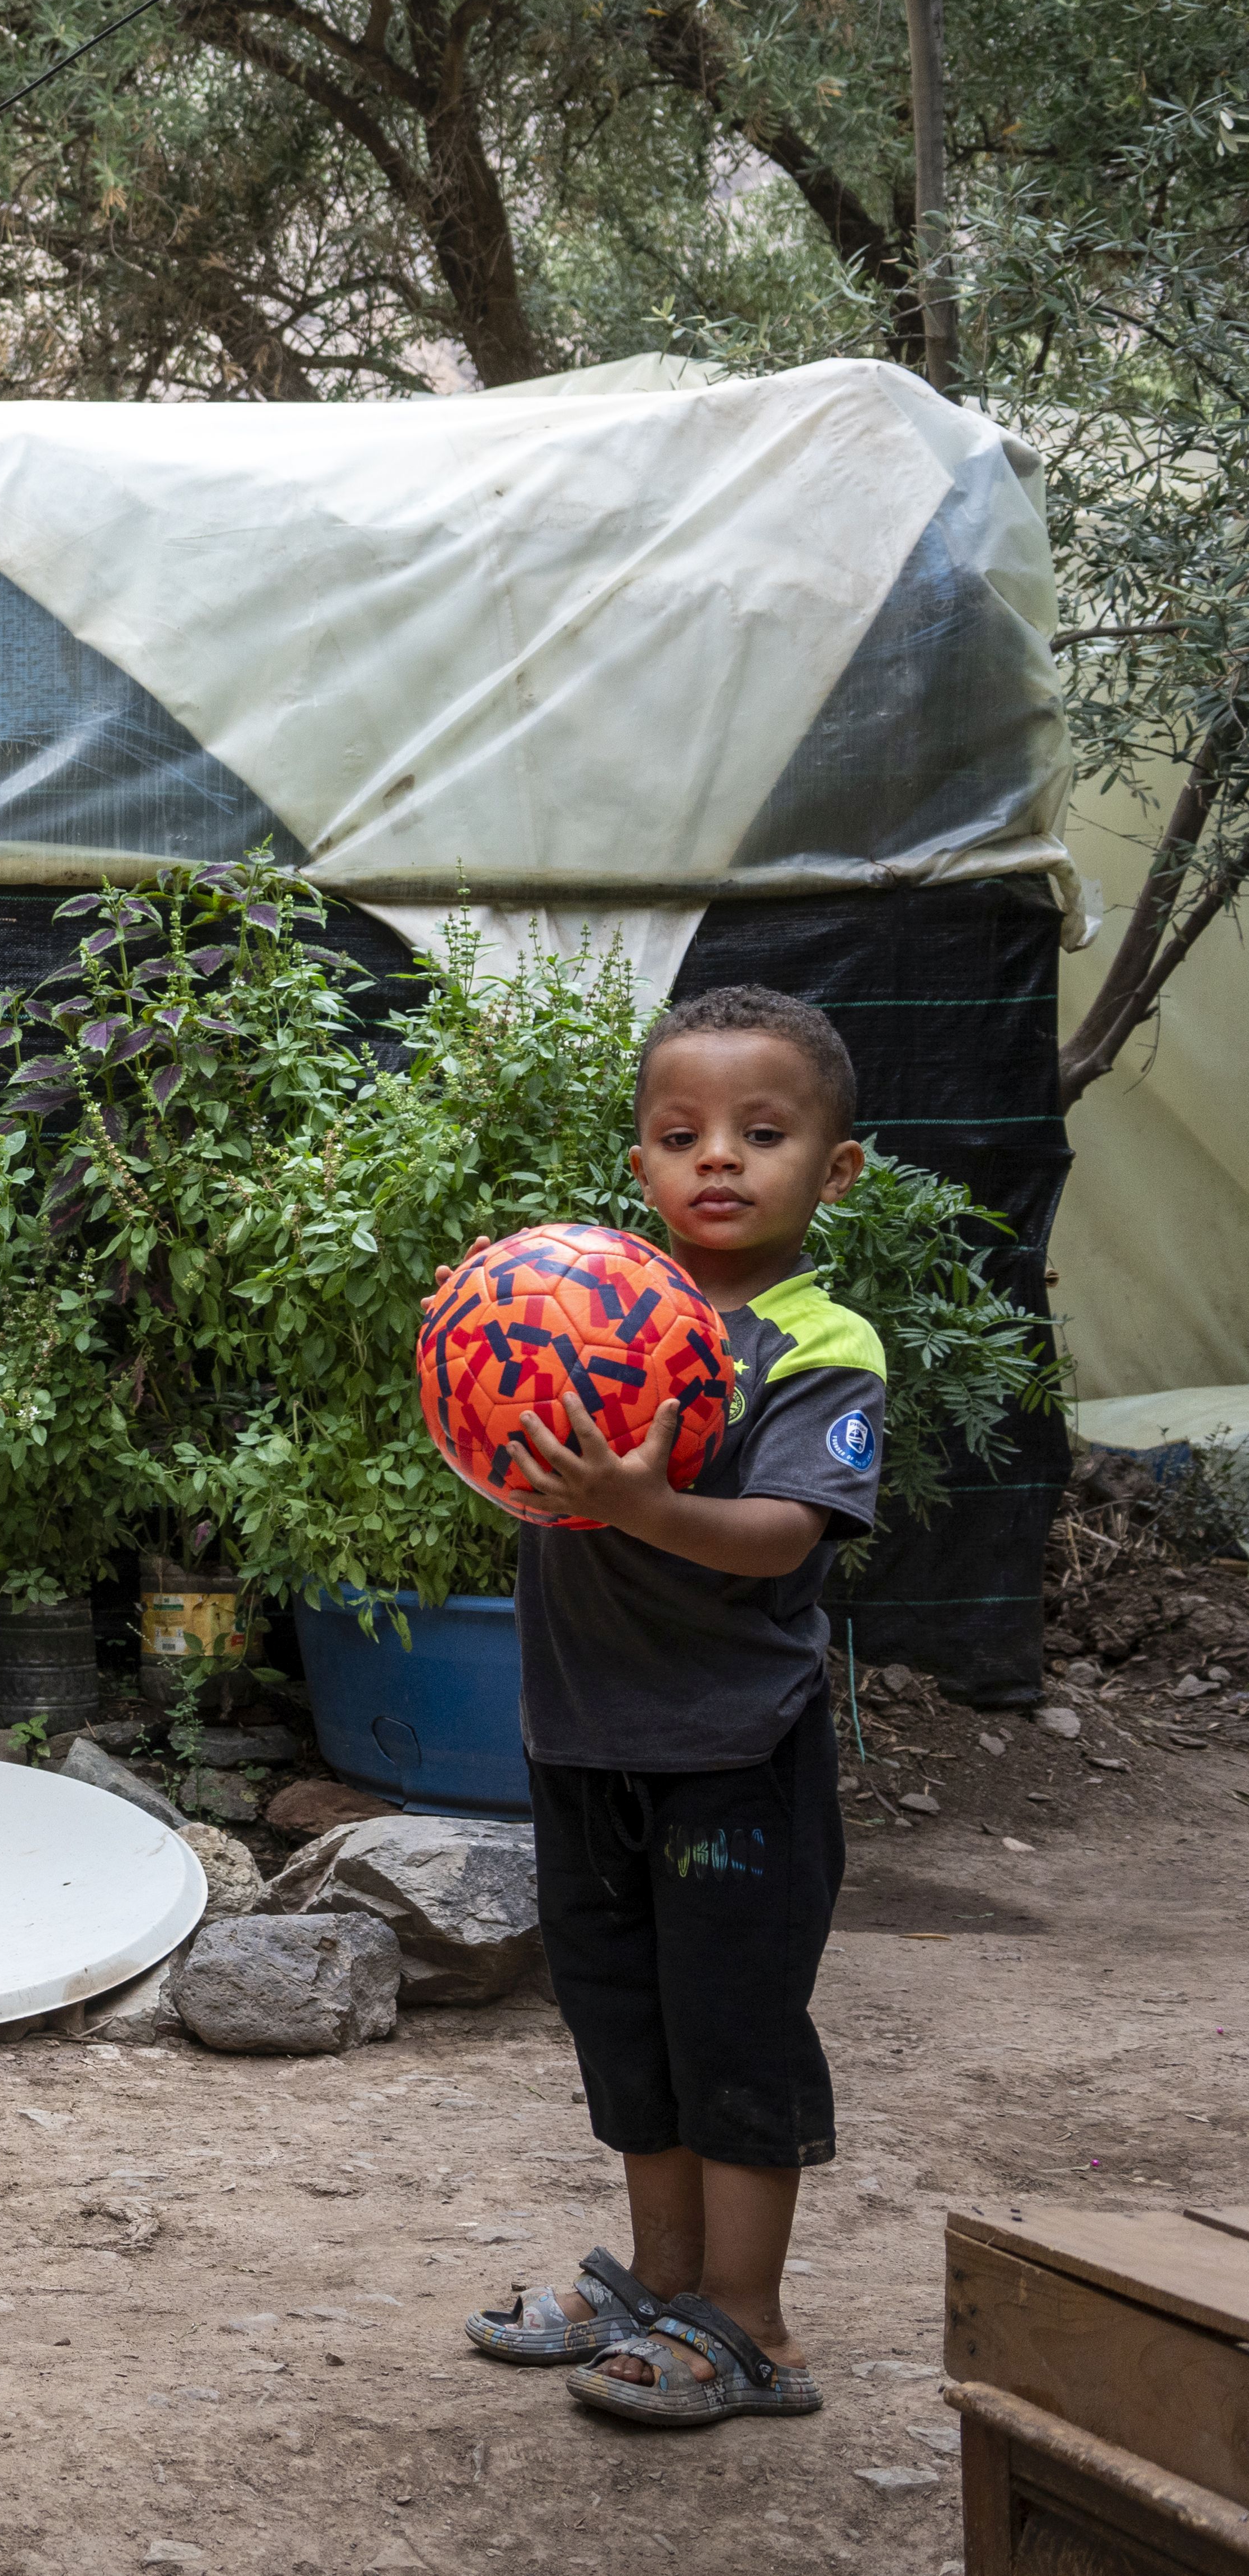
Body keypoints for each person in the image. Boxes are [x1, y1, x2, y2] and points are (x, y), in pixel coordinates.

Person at [455, 984, 884, 2428]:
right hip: (582, 1742)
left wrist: (644, 1505)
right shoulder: (581, 1314)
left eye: (759, 1133)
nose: (716, 1158)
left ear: (833, 1172)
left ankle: (750, 2325)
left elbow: (779, 1536)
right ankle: (659, 2282)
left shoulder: (821, 1348)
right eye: (678, 1132)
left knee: (732, 2034)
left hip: (733, 1759)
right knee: (624, 2029)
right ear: (636, 1165)